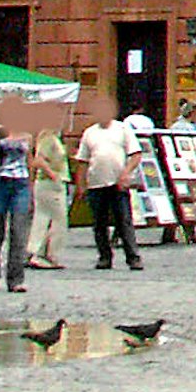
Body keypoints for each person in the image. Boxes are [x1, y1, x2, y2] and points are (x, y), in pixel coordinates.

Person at [78, 97, 141, 270]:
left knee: (124, 221)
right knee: (99, 223)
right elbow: (82, 160)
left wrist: (126, 174)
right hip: (96, 183)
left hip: (118, 182)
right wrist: (81, 184)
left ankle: (133, 257)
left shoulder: (122, 129)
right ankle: (104, 256)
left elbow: (135, 155)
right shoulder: (89, 133)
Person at [0, 118, 35, 291]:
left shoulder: (27, 135)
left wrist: (31, 189)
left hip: (21, 184)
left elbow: (29, 162)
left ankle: (16, 279)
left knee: (19, 232)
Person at [28, 111, 73, 272]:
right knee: (58, 220)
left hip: (48, 183)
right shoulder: (48, 138)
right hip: (51, 184)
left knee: (43, 218)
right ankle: (47, 254)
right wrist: (53, 174)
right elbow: (39, 160)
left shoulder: (53, 137)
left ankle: (36, 251)